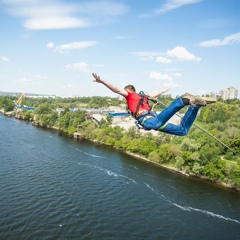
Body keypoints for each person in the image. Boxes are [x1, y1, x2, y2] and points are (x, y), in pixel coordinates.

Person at [92, 73, 216, 136]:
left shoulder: (130, 95)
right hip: (153, 120)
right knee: (182, 131)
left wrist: (102, 81)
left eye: (125, 92)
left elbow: (116, 90)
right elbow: (154, 95)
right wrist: (162, 91)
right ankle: (195, 106)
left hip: (150, 119)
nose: (123, 95)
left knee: (156, 123)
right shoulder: (143, 97)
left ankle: (182, 100)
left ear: (129, 91)